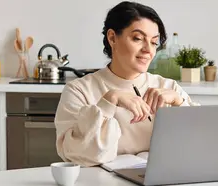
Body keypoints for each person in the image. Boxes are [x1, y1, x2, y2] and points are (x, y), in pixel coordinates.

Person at [54, 1, 199, 167]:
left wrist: (179, 103)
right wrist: (109, 100)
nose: (148, 50)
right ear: (112, 38)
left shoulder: (168, 87)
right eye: (138, 38)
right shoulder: (79, 90)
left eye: (153, 42)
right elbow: (77, 155)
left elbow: (198, 145)